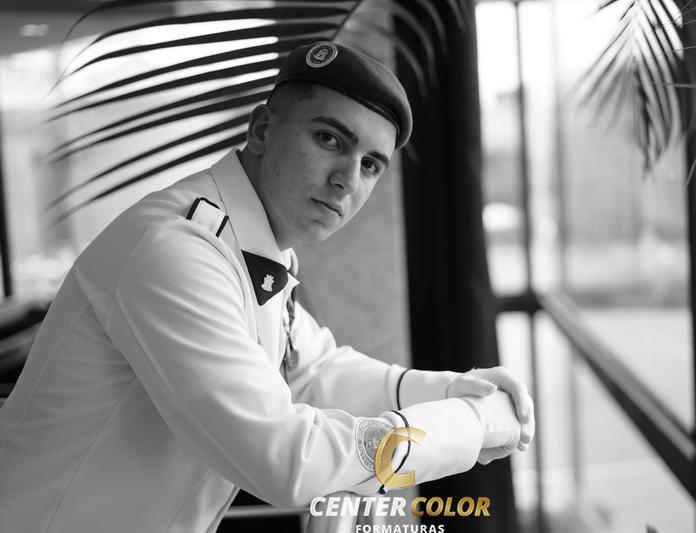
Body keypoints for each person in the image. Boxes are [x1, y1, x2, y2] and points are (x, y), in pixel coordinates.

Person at [0, 41, 534, 533]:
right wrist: (467, 426)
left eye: (371, 165)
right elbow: (283, 459)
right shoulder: (177, 251)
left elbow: (314, 371)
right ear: (261, 129)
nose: (348, 180)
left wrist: (455, 391)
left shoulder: (255, 246)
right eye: (330, 139)